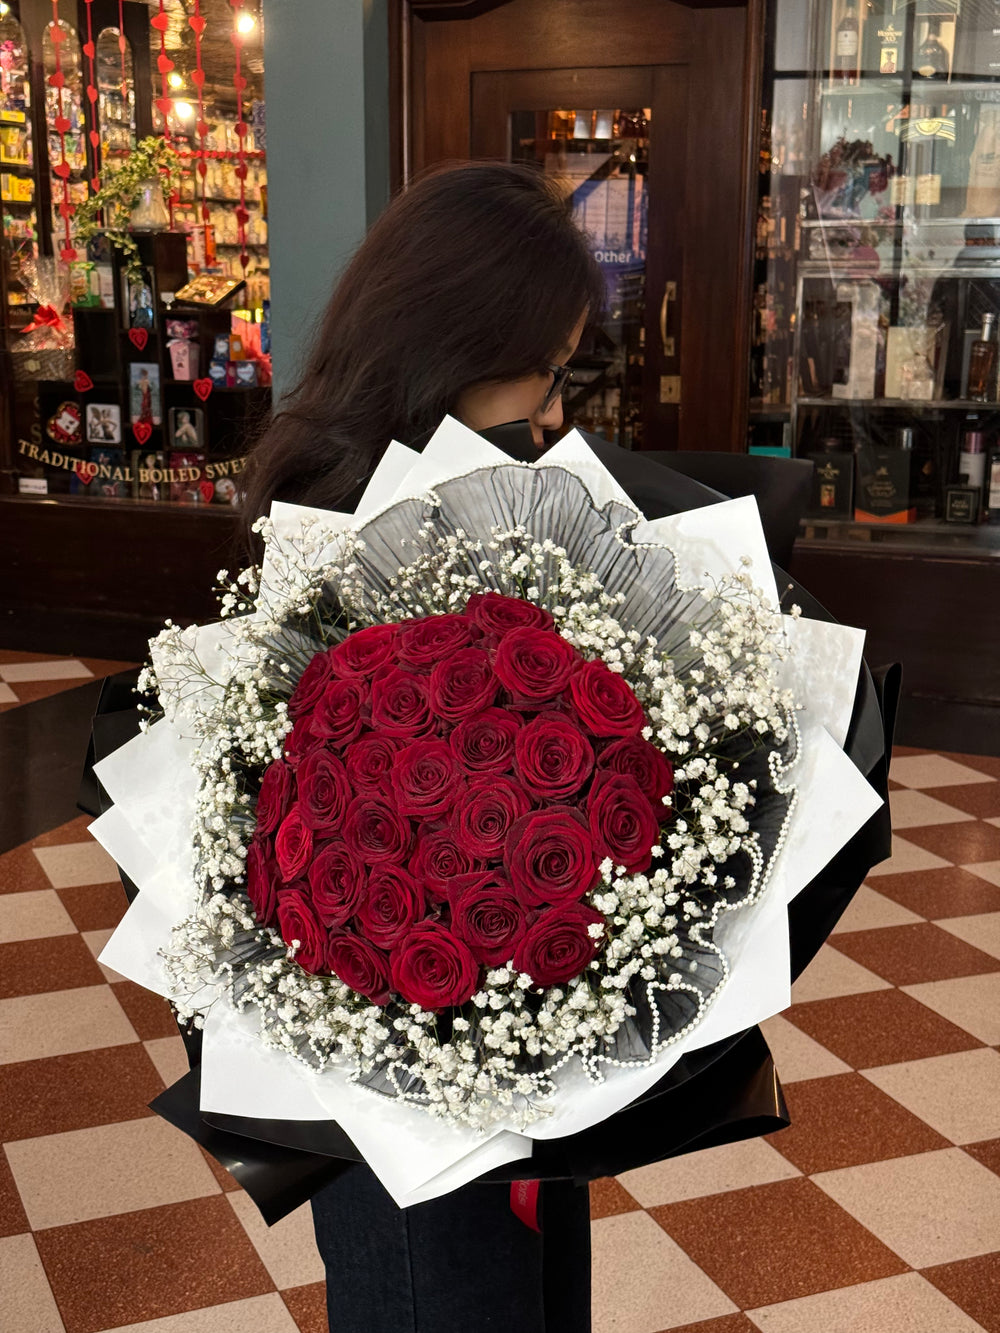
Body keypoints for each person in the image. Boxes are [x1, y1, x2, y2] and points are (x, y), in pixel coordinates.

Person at [235, 161, 893, 1333]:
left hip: (516, 1055)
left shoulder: (474, 513)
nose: (553, 420)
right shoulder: (328, 551)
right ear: (450, 345)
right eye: (542, 375)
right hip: (384, 1088)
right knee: (433, 1295)